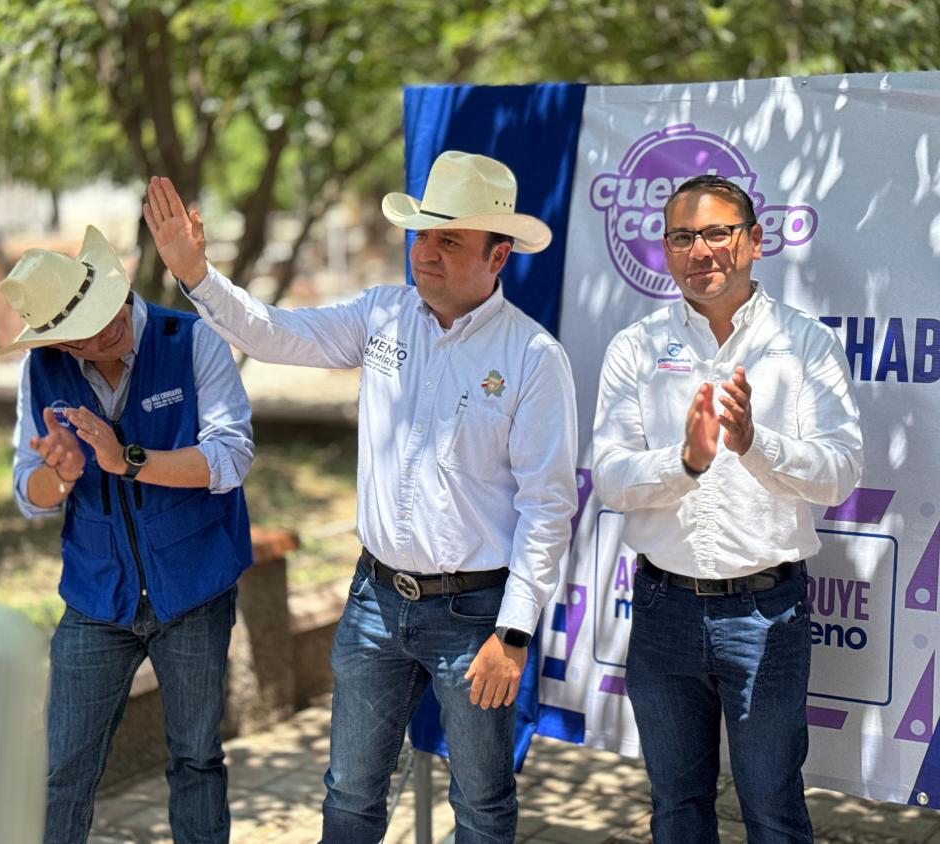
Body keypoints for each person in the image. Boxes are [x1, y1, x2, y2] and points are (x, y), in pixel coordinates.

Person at [142, 150, 579, 843]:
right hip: (375, 599)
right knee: (348, 796)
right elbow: (274, 333)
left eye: (450, 240)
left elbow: (548, 507)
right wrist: (196, 273)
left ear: (499, 257)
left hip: (475, 616)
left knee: (483, 806)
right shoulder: (383, 315)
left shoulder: (532, 357)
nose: (426, 252)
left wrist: (513, 633)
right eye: (423, 234)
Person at [592, 174, 863, 843]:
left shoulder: (805, 345)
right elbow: (609, 479)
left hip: (767, 612)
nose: (700, 250)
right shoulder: (635, 347)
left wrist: (753, 443)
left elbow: (841, 474)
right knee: (677, 808)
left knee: (772, 807)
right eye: (682, 236)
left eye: (717, 232)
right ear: (664, 250)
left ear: (754, 241)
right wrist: (684, 462)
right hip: (662, 610)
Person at [0, 226, 255, 844]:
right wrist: (58, 479)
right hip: (96, 596)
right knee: (61, 768)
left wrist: (128, 459)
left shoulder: (191, 340)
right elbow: (26, 488)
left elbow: (231, 457)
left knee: (196, 760)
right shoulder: (43, 371)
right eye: (78, 332)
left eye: (103, 312)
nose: (101, 332)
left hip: (194, 589)